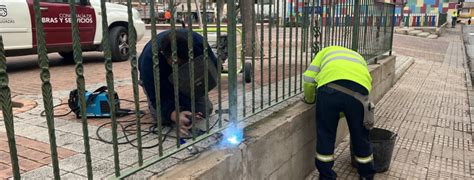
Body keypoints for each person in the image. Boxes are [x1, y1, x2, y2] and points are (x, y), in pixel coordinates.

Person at [303, 46, 375, 179]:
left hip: (329, 90)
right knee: (360, 136)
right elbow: (367, 81)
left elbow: (308, 79)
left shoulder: (324, 52)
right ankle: (366, 175)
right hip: (359, 95)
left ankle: (326, 176)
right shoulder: (357, 56)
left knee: (326, 135)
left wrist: (310, 99)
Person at [138, 29, 218, 135]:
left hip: (189, 80)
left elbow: (213, 69)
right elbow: (157, 96)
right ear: (165, 55)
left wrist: (192, 102)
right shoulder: (150, 60)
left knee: (204, 110)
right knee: (163, 119)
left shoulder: (198, 44)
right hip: (160, 84)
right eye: (178, 64)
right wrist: (174, 114)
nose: (182, 68)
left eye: (186, 63)